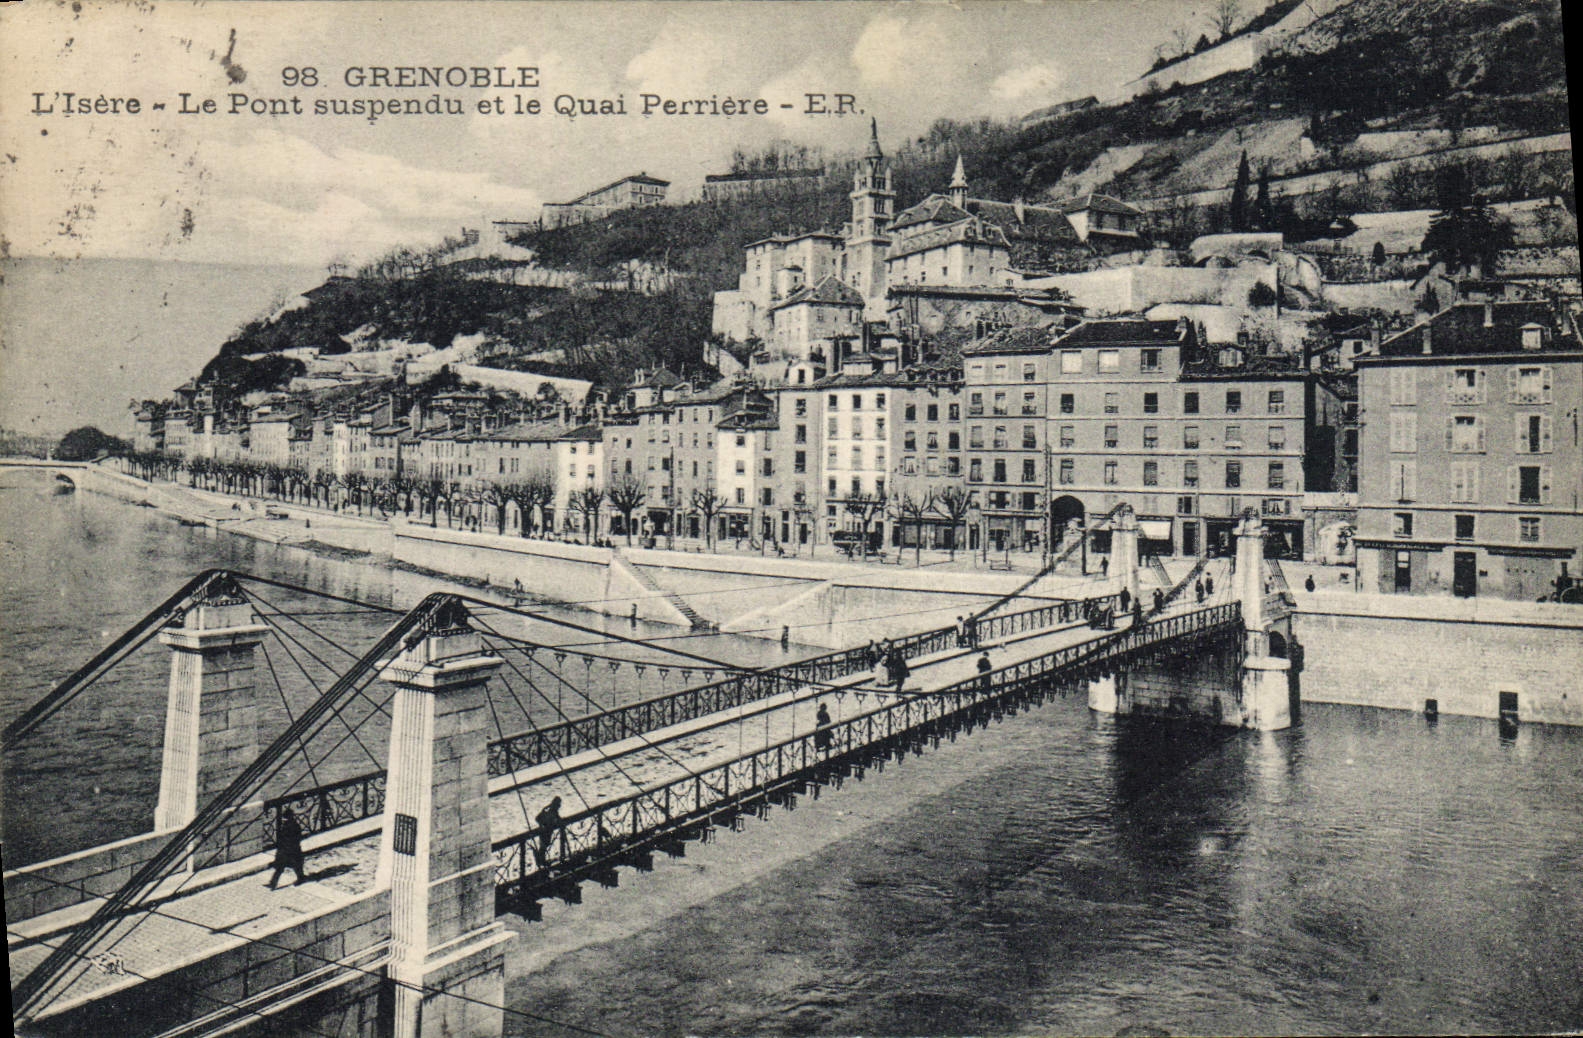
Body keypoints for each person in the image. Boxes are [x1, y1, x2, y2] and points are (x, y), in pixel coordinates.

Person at [267, 808, 305, 889]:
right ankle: (273, 883)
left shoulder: (293, 826)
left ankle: (301, 878)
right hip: (287, 850)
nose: (284, 820)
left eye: (286, 818)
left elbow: (295, 839)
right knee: (282, 867)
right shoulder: (289, 825)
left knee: (295, 866)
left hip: (292, 850)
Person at [534, 795, 563, 866]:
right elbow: (537, 818)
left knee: (545, 844)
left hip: (549, 830)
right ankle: (540, 860)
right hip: (544, 830)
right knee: (543, 845)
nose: (559, 806)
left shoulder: (553, 810)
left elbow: (557, 817)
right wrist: (542, 825)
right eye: (558, 804)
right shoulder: (548, 809)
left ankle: (540, 860)